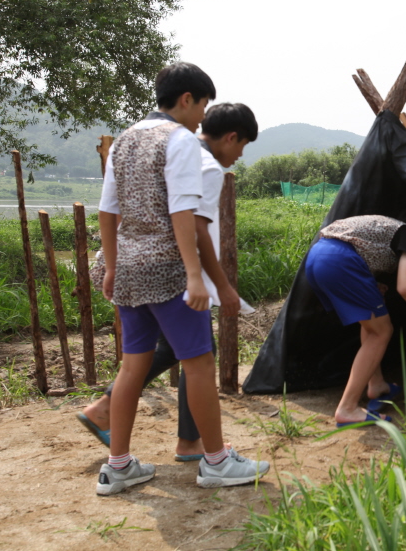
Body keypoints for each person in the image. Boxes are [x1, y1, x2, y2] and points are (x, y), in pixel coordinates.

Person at [92, 63, 267, 495]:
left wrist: (112, 268)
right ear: (186, 99)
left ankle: (117, 466)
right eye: (202, 104)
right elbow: (183, 214)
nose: (203, 115)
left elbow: (108, 211)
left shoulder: (126, 138)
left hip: (129, 269)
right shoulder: (181, 141)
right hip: (168, 270)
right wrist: (196, 277)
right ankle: (216, 461)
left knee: (133, 364)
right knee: (199, 363)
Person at [304, 213, 406, 426]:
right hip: (340, 260)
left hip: (317, 255)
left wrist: (371, 285)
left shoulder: (388, 230)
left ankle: (376, 384)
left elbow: (359, 251)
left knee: (371, 323)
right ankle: (347, 408)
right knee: (382, 331)